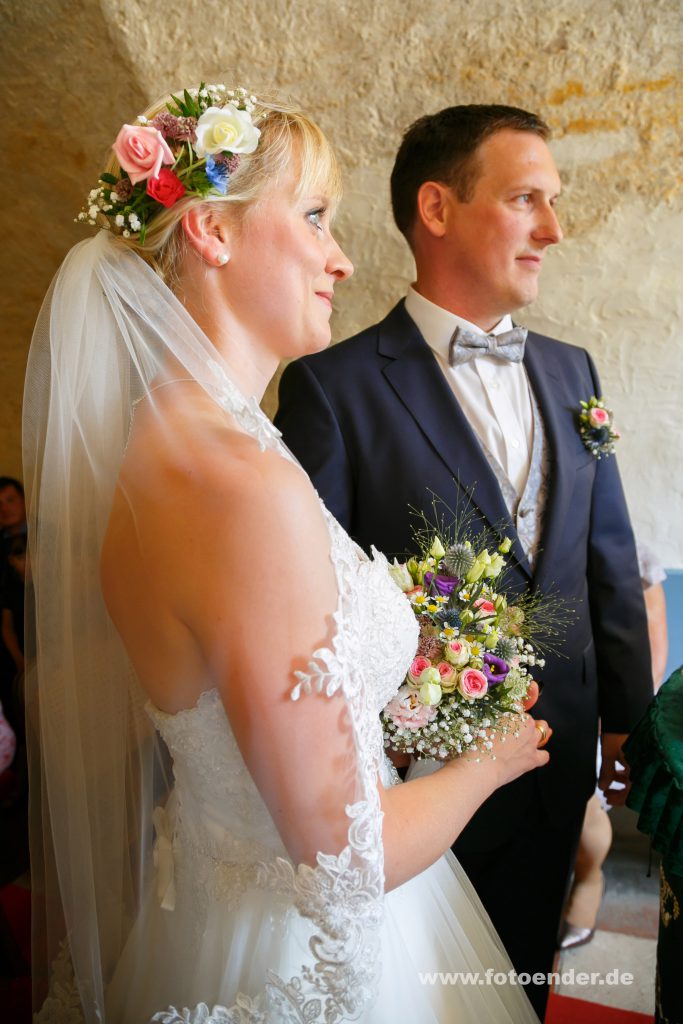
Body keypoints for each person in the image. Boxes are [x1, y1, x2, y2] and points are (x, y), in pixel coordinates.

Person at [24, 84, 551, 1024]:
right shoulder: (240, 485)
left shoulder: (160, 457)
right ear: (212, 234)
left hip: (204, 923)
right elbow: (346, 864)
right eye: (313, 217)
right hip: (318, 960)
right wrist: (486, 763)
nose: (341, 258)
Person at [275, 103, 654, 1020]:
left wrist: (624, 725)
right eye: (526, 198)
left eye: (551, 202)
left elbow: (606, 556)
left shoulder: (573, 372)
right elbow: (309, 602)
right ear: (436, 209)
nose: (553, 230)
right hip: (419, 775)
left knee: (522, 980)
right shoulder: (334, 388)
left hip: (559, 749)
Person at [559, 540, 669, 949]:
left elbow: (650, 650)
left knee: (583, 802)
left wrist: (620, 715)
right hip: (546, 688)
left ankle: (589, 879)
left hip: (605, 701)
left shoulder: (635, 555)